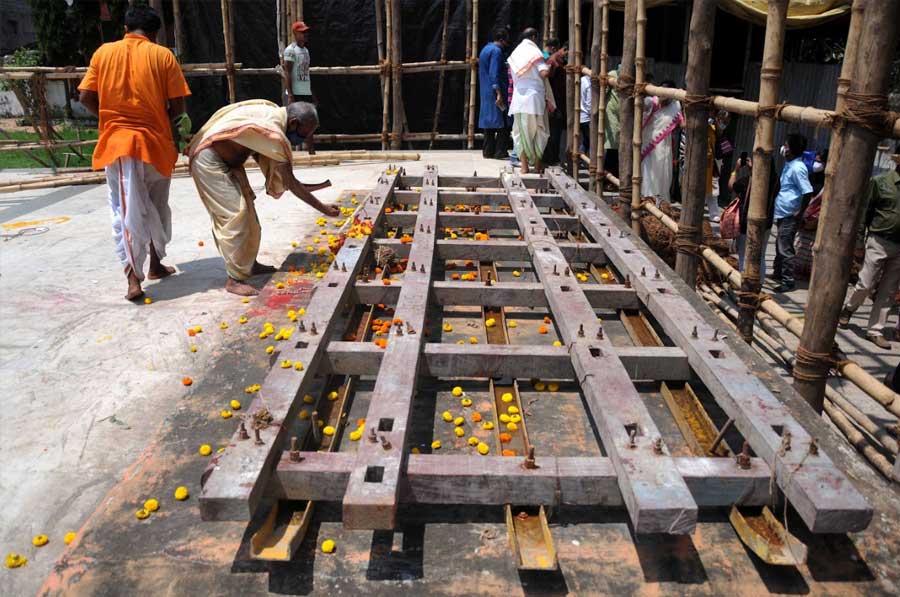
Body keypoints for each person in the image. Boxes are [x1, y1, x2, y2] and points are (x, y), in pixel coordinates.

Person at [77, 4, 191, 301]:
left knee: (126, 212)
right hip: (157, 146)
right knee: (157, 206)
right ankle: (151, 266)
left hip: (119, 147)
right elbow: (178, 106)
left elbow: (86, 96)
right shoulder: (163, 55)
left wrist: (107, 117)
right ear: (154, 34)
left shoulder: (103, 53)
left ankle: (135, 278)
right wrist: (175, 131)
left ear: (126, 29)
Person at [186, 100, 339, 296]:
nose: (304, 138)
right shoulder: (273, 132)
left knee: (250, 216)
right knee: (236, 216)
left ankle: (250, 264)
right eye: (304, 133)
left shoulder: (273, 113)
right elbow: (290, 182)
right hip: (209, 161)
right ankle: (234, 279)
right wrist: (323, 208)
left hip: (229, 162)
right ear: (293, 123)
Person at [839, 154, 900, 349]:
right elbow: (864, 213)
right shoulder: (881, 182)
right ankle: (849, 309)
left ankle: (875, 330)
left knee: (888, 292)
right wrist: (858, 242)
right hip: (879, 241)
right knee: (865, 283)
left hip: (899, 247)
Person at [508, 28, 555, 174]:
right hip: (535, 98)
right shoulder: (536, 54)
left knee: (521, 134)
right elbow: (544, 73)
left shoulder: (514, 54)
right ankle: (537, 165)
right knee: (539, 131)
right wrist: (550, 65)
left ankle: (524, 167)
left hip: (519, 99)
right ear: (534, 37)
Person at [770, 134, 813, 293]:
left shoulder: (797, 168)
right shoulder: (790, 164)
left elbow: (807, 191)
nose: (784, 148)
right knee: (780, 244)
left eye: (786, 146)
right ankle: (778, 273)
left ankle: (788, 281)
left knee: (785, 248)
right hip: (783, 212)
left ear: (792, 149)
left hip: (790, 215)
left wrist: (799, 212)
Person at [730, 153, 776, 279]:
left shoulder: (747, 181)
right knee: (760, 255)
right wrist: (753, 170)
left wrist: (736, 170)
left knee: (744, 255)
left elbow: (731, 185)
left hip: (747, 224)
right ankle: (759, 283)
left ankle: (743, 281)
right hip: (767, 223)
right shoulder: (775, 182)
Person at [640, 80, 683, 206]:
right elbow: (640, 107)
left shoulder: (675, 106)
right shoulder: (651, 101)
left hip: (664, 145)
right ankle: (646, 200)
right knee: (647, 173)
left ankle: (659, 203)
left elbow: (683, 124)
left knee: (662, 174)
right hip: (648, 143)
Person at [282, 20, 315, 154]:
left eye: (306, 32)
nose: (305, 34)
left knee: (309, 121)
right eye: (302, 32)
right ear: (295, 34)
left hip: (305, 91)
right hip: (295, 92)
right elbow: (287, 72)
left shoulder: (306, 51)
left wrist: (312, 92)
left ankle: (312, 151)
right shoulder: (290, 50)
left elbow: (306, 72)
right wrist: (290, 94)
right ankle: (285, 152)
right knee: (291, 123)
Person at [478, 28, 510, 160]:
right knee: (503, 122)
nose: (507, 44)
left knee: (489, 123)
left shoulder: (485, 49)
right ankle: (500, 152)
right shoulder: (496, 51)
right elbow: (494, 72)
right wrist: (498, 93)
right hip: (496, 91)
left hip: (486, 91)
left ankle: (488, 151)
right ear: (502, 40)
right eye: (506, 41)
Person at [541, 38, 567, 166]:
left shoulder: (557, 60)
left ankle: (552, 157)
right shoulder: (553, 60)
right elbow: (549, 76)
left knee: (554, 131)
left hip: (557, 101)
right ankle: (550, 158)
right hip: (554, 102)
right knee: (553, 131)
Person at [603, 66, 620, 180]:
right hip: (612, 113)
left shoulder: (634, 76)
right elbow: (603, 91)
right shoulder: (613, 73)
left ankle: (613, 177)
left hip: (624, 115)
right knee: (612, 146)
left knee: (618, 147)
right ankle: (609, 178)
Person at [579, 71, 591, 153]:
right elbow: (589, 103)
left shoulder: (581, 79)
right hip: (587, 117)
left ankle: (579, 158)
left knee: (586, 140)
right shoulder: (589, 83)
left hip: (580, 115)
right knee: (590, 141)